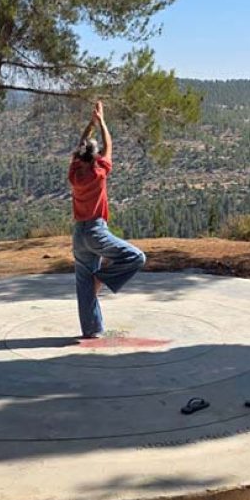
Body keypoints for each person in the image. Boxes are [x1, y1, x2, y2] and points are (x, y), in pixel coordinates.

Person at [68, 100, 146, 338]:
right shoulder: (99, 172)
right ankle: (100, 280)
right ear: (95, 157)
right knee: (135, 257)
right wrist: (101, 121)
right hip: (95, 231)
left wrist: (89, 125)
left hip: (78, 235)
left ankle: (92, 330)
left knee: (83, 283)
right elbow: (109, 146)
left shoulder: (74, 172)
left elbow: (80, 146)